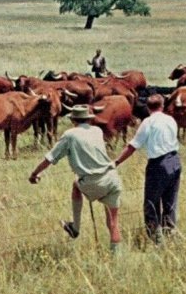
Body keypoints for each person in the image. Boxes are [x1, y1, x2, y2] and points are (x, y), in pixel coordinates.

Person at [29, 105, 123, 253]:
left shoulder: (70, 135)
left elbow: (50, 158)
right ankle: (116, 257)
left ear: (73, 120)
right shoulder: (97, 131)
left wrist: (35, 173)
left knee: (76, 184)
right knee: (113, 222)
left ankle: (75, 227)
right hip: (112, 178)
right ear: (89, 119)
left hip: (92, 181)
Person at [115, 94, 181, 245]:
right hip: (175, 161)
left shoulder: (148, 122)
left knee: (151, 202)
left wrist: (117, 161)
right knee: (170, 201)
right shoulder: (171, 119)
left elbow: (133, 146)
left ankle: (155, 239)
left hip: (159, 164)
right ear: (162, 106)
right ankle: (170, 234)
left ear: (147, 107)